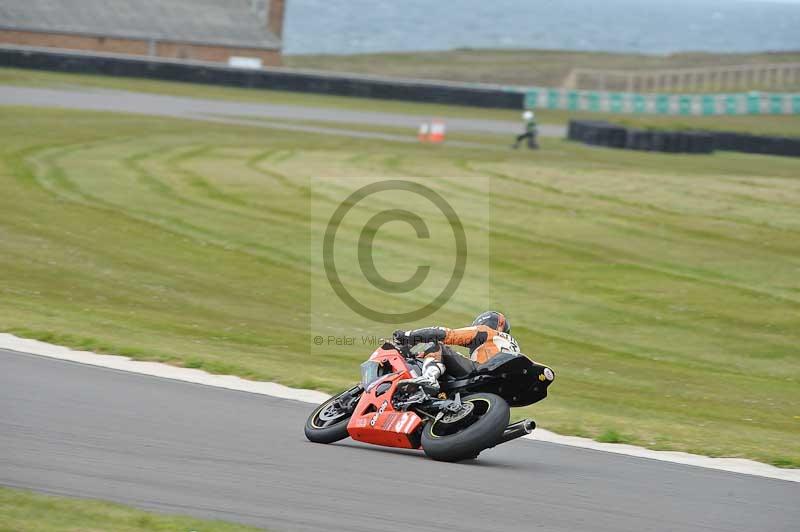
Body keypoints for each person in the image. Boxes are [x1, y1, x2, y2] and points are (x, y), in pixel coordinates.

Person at [393, 311, 520, 393]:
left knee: (437, 345)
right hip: (506, 385)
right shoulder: (512, 345)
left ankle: (429, 378)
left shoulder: (485, 331)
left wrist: (407, 336)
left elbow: (446, 334)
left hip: (483, 371)